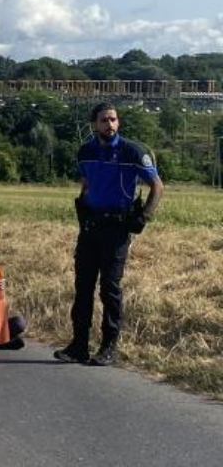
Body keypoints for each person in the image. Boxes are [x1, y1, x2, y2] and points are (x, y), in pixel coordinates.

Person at [56, 103, 164, 367]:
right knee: (83, 287)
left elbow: (157, 186)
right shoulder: (85, 151)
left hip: (117, 228)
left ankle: (108, 346)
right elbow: (86, 183)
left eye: (113, 119)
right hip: (91, 227)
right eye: (104, 120)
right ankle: (79, 346)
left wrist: (144, 217)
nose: (110, 125)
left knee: (109, 288)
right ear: (94, 124)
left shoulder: (133, 151)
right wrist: (82, 206)